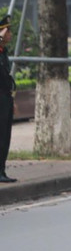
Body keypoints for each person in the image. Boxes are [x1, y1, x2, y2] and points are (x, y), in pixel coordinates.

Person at [0, 13, 15, 182]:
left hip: (5, 98)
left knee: (5, 136)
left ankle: (1, 170)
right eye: (8, 32)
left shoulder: (4, 52)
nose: (10, 35)